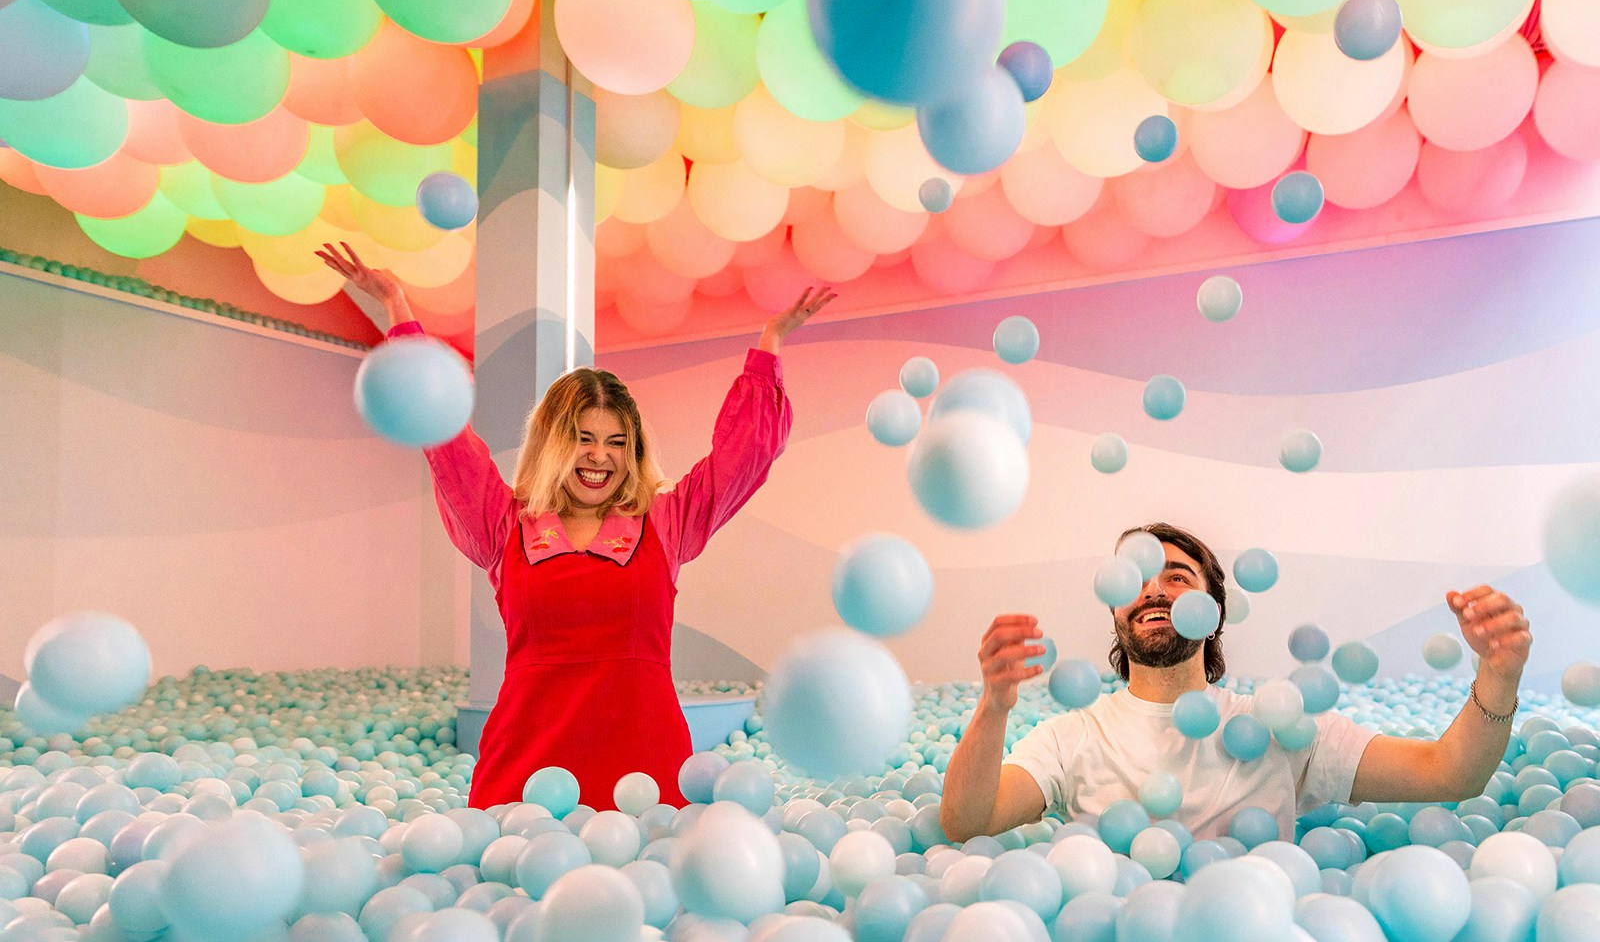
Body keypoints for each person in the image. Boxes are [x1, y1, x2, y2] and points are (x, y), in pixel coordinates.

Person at [318, 242, 836, 810]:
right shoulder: (504, 521)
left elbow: (742, 458)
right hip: (527, 764)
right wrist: (398, 308)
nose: (600, 457)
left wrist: (769, 346)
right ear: (553, 444)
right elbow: (447, 444)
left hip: (645, 766)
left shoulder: (666, 520)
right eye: (583, 438)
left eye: (617, 442)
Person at [941, 522, 1532, 843]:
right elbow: (968, 822)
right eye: (1137, 580)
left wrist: (1498, 672)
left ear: (1213, 610)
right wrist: (993, 706)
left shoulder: (1279, 724)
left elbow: (1451, 772)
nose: (1153, 590)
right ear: (1116, 611)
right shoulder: (1071, 736)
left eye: (1176, 576)